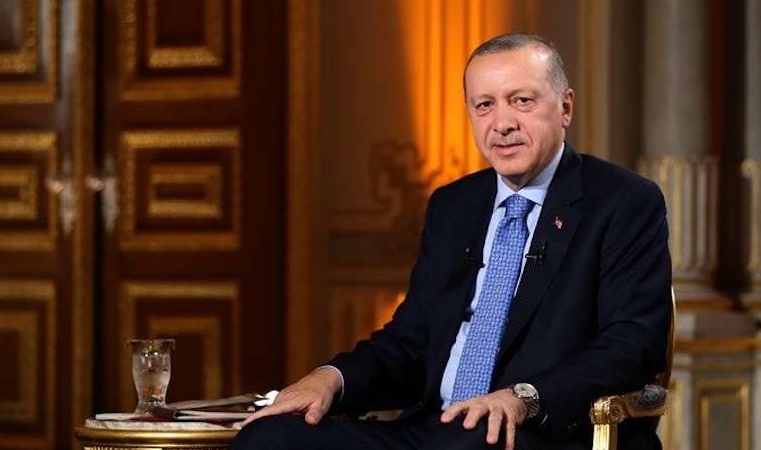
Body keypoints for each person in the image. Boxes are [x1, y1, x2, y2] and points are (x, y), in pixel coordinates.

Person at [234, 32, 672, 450]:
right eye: (485, 105)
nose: (503, 124)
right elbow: (411, 341)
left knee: (469, 441)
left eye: (522, 101)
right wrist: (331, 378)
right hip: (434, 429)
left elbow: (632, 345)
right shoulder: (454, 205)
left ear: (565, 108)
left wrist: (523, 397)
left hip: (537, 435)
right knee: (270, 439)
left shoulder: (623, 202)